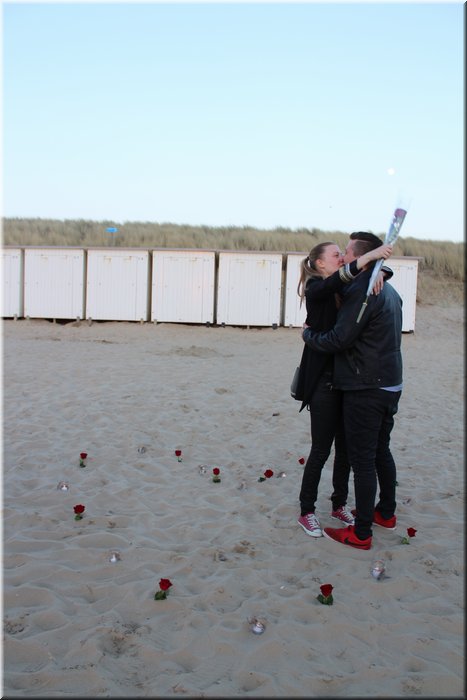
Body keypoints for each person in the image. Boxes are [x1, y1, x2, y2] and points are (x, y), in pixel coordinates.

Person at [302, 231, 403, 550]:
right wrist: (375, 267)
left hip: (358, 383)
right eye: (336, 254)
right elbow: (338, 285)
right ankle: (309, 511)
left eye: (344, 252)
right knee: (327, 450)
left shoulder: (361, 286)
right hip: (332, 381)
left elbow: (340, 335)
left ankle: (344, 510)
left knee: (353, 453)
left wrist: (381, 270)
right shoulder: (319, 287)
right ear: (320, 264)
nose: (342, 257)